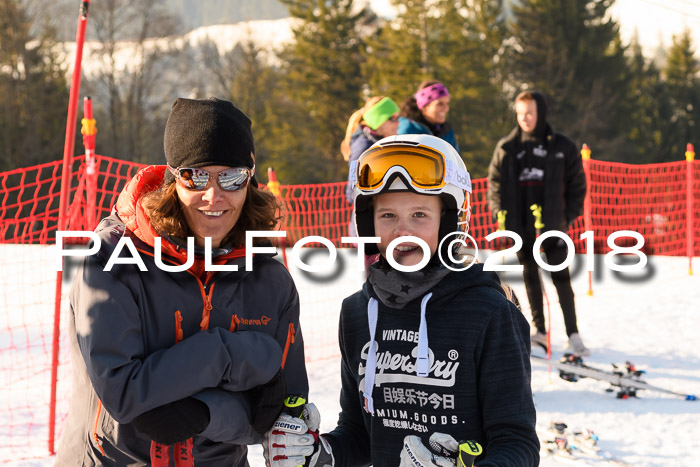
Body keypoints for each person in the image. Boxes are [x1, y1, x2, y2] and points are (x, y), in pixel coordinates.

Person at [56, 97, 308, 466]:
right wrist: (239, 355)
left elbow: (277, 415)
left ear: (250, 180)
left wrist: (205, 412)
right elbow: (125, 395)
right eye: (196, 175)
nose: (213, 194)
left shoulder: (271, 282)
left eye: (232, 176)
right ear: (174, 179)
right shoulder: (114, 258)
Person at [264, 134, 539, 466]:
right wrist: (321, 454)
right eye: (388, 216)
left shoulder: (490, 313)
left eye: (419, 215)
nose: (402, 230)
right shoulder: (356, 312)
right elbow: (359, 432)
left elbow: (517, 443)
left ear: (450, 221)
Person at [487, 90, 588, 355]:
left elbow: (578, 184)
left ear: (541, 112)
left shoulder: (562, 146)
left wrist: (567, 215)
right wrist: (502, 214)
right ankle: (540, 331)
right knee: (531, 277)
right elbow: (494, 184)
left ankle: (573, 334)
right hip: (522, 226)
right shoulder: (507, 147)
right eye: (520, 114)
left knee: (561, 278)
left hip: (553, 225)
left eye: (530, 113)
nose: (525, 119)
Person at [341, 96, 401, 205]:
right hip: (369, 217)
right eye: (393, 118)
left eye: (398, 118)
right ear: (378, 120)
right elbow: (353, 191)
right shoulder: (363, 147)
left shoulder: (381, 142)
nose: (398, 123)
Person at [398, 81, 459, 152]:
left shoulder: (447, 132)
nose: (446, 108)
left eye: (447, 103)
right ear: (424, 107)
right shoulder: (407, 129)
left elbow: (456, 161)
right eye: (440, 104)